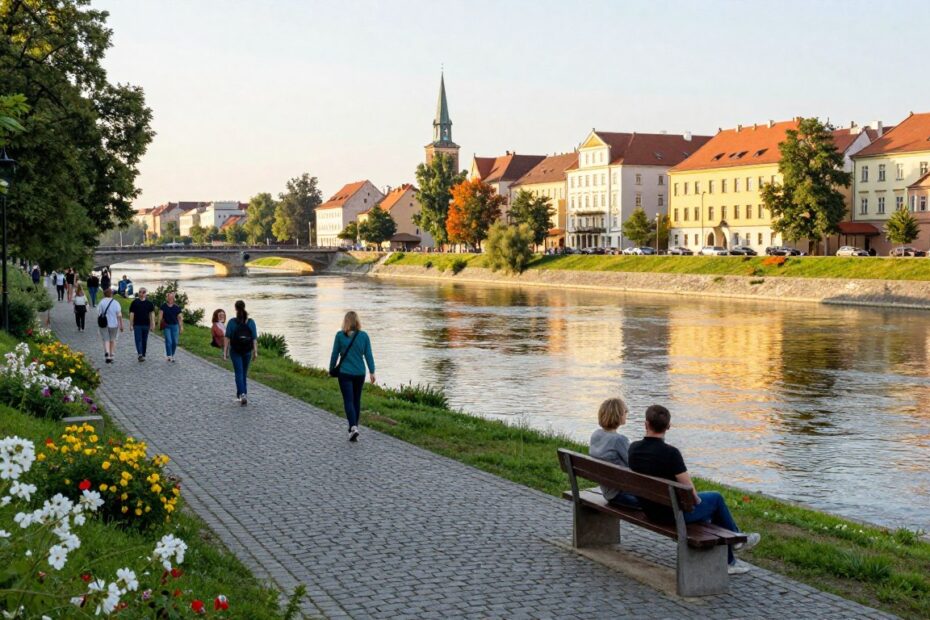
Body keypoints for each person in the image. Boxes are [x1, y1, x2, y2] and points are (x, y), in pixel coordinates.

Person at [628, 405, 761, 575]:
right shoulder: (671, 453)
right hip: (672, 515)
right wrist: (697, 501)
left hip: (650, 511)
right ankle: (736, 539)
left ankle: (731, 558)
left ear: (645, 424)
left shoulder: (633, 449)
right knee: (716, 499)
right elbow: (690, 492)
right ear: (668, 426)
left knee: (709, 512)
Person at [329, 311, 375, 442]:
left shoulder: (339, 336)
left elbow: (334, 354)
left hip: (345, 373)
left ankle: (353, 427)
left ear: (346, 321)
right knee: (356, 401)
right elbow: (368, 355)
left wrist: (331, 369)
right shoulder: (364, 336)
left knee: (348, 401)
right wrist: (372, 371)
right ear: (357, 322)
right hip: (360, 373)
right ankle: (354, 428)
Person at [589, 398, 640, 509]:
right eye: (624, 412)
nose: (627, 414)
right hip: (621, 494)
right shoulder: (619, 440)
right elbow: (635, 465)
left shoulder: (596, 435)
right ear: (618, 415)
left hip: (607, 491)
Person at [223, 300, 257, 405]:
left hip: (235, 351)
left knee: (239, 373)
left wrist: (225, 352)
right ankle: (243, 394)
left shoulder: (232, 322)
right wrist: (255, 352)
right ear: (244, 307)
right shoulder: (251, 322)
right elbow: (254, 338)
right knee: (244, 373)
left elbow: (227, 338)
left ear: (235, 308)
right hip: (247, 351)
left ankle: (242, 394)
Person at [96, 288, 123, 363]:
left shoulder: (101, 302)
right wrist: (121, 325)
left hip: (103, 324)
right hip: (114, 324)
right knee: (113, 339)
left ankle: (107, 353)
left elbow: (98, 313)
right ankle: (111, 354)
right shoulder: (116, 303)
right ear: (111, 294)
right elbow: (119, 315)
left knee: (106, 339)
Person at [129, 287, 156, 362]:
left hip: (146, 324)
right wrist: (131, 324)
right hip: (137, 324)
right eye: (140, 292)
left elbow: (152, 314)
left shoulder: (149, 303)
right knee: (138, 339)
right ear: (138, 293)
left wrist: (152, 323)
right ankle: (140, 354)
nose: (141, 293)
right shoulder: (134, 302)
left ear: (146, 293)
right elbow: (131, 314)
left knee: (144, 340)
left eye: (143, 292)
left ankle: (143, 354)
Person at [158, 291, 184, 362]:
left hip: (175, 326)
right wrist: (159, 324)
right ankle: (169, 356)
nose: (170, 299)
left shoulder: (177, 307)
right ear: (167, 298)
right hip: (167, 326)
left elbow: (180, 318)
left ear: (173, 299)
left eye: (172, 297)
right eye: (169, 297)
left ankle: (172, 355)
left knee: (175, 342)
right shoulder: (163, 306)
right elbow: (160, 316)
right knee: (168, 341)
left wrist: (181, 327)